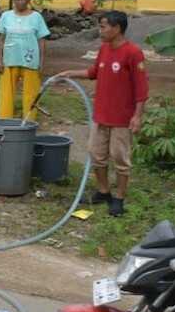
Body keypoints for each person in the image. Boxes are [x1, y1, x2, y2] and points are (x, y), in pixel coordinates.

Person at [55, 11, 148, 216]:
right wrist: (70, 73)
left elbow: (142, 88)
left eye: (104, 26)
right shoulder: (104, 48)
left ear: (117, 28)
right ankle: (104, 191)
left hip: (122, 118)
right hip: (101, 115)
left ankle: (120, 198)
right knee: (96, 154)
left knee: (120, 157)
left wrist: (137, 115)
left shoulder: (133, 52)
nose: (101, 30)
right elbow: (94, 72)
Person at [0, 0, 50, 122]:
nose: (20, 2)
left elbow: (42, 40)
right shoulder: (6, 16)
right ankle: (5, 122)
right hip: (9, 60)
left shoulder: (36, 17)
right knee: (6, 94)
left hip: (31, 62)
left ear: (29, 0)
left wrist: (41, 63)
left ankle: (29, 122)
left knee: (31, 94)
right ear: (13, 0)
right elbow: (1, 39)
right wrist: (0, 61)